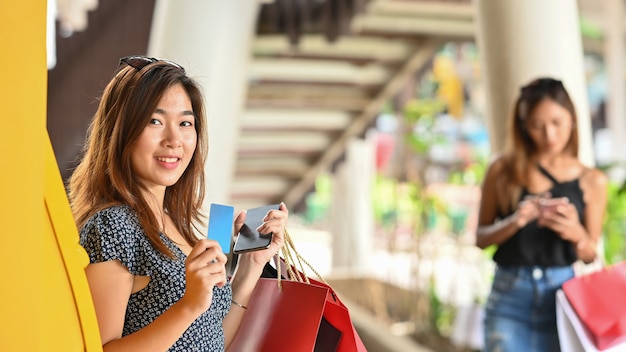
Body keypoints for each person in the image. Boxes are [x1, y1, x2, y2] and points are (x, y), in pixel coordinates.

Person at [68, 55, 289, 351]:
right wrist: (188, 306)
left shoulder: (181, 226)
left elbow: (210, 339)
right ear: (121, 132)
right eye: (155, 121)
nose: (174, 139)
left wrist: (251, 266)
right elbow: (99, 349)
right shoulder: (114, 225)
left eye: (185, 122)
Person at [475, 77, 607, 352]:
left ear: (572, 119)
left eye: (557, 123)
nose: (549, 135)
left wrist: (576, 233)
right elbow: (481, 237)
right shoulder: (501, 170)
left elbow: (590, 253)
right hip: (509, 298)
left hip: (563, 299)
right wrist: (516, 222)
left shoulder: (593, 180)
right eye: (537, 125)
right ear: (523, 127)